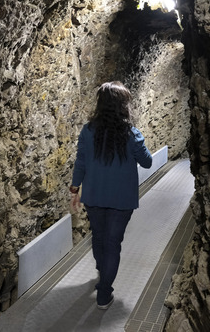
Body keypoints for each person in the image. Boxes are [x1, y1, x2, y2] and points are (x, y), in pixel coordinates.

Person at [69, 81, 153, 310]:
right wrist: (140, 142)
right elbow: (147, 162)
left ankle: (102, 271)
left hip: (94, 196)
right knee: (113, 244)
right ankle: (104, 292)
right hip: (121, 199)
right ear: (123, 105)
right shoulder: (131, 133)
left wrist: (75, 189)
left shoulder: (88, 131)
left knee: (98, 237)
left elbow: (81, 162)